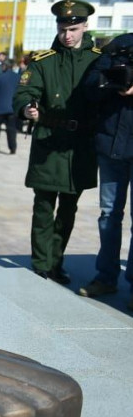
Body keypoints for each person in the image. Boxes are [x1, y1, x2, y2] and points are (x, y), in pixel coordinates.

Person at [14, 0, 101, 284]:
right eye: (63, 28)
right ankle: (41, 263)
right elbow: (25, 91)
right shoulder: (43, 61)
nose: (67, 34)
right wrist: (28, 107)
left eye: (73, 28)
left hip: (80, 146)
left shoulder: (99, 59)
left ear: (85, 26)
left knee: (68, 209)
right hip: (49, 142)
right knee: (43, 206)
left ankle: (56, 261)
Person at [76, 32, 133, 303]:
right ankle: (106, 277)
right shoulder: (118, 46)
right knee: (109, 215)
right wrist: (112, 83)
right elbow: (89, 85)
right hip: (112, 145)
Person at [0, 59, 20, 153]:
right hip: (12, 107)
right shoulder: (18, 77)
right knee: (11, 129)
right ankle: (12, 148)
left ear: (5, 66)